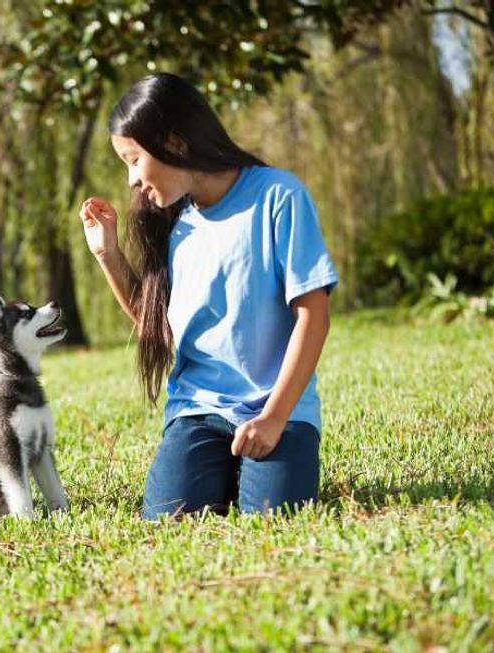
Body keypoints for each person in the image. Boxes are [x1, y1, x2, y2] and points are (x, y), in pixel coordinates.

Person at [78, 73, 339, 519]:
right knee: (167, 520)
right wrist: (108, 254)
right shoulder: (172, 221)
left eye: (134, 160)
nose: (131, 181)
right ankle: (222, 468)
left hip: (279, 408)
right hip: (198, 411)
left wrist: (274, 417)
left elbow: (313, 316)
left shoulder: (278, 196)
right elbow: (155, 323)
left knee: (275, 521)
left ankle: (252, 468)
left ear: (175, 143)